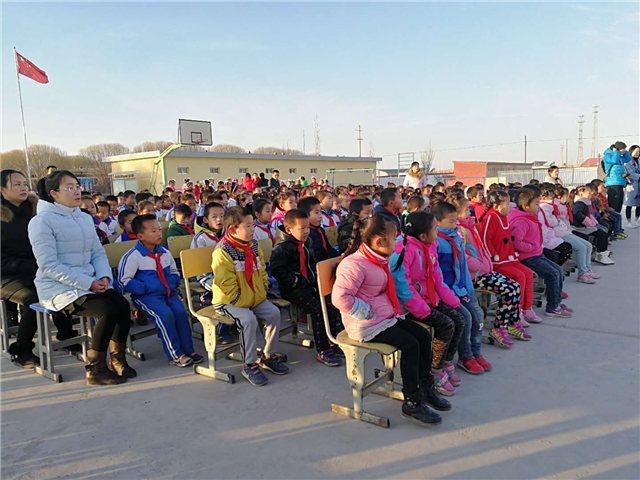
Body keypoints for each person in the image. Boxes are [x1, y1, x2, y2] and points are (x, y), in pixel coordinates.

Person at [332, 215, 445, 426]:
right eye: (394, 237)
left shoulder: (377, 259)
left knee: (422, 335)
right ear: (379, 241)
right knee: (410, 345)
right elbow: (340, 298)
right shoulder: (354, 265)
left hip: (383, 317)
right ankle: (411, 402)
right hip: (365, 324)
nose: (398, 240)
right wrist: (366, 312)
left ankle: (424, 387)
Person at [28, 170, 135, 385]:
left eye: (77, 186)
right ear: (54, 194)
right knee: (106, 310)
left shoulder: (84, 218)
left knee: (122, 305)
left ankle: (117, 359)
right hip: (58, 286)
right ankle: (96, 368)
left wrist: (104, 277)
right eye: (69, 188)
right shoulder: (41, 222)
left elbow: (97, 252)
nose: (76, 191)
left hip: (90, 281)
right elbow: (49, 266)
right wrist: (89, 283)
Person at [0, 170, 80, 368]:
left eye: (24, 184)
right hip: (8, 274)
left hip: (38, 267)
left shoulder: (38, 210)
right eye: (17, 184)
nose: (23, 188)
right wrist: (30, 265)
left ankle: (66, 336)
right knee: (35, 297)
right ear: (2, 189)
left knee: (60, 285)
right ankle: (23, 349)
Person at [390, 211, 466, 396]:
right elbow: (402, 287)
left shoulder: (429, 245)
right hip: (409, 306)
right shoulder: (402, 250)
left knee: (459, 319)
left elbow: (436, 277)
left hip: (427, 298)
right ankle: (435, 369)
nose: (437, 232)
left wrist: (450, 299)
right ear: (423, 235)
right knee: (446, 324)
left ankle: (446, 361)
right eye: (434, 229)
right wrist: (422, 309)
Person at [211, 207, 289, 386]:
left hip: (252, 296)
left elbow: (262, 269)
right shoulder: (222, 251)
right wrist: (247, 301)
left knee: (273, 313)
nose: (252, 229)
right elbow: (226, 285)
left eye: (252, 225)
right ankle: (249, 364)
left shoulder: (252, 244)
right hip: (228, 301)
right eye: (247, 226)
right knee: (248, 320)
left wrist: (262, 289)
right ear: (232, 230)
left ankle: (268, 356)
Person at [117, 215, 203, 367]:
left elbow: (174, 272)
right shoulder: (133, 256)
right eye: (153, 231)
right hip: (146, 297)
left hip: (168, 293)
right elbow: (124, 281)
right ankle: (176, 354)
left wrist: (170, 284)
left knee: (181, 314)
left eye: (159, 229)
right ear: (140, 236)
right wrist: (146, 288)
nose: (159, 234)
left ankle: (189, 350)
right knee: (165, 316)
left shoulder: (164, 252)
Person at [446, 192, 529, 348]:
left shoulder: (469, 226)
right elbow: (462, 255)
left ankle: (512, 322)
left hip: (483, 271)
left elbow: (480, 248)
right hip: (474, 276)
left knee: (515, 286)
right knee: (507, 290)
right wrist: (478, 264)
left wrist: (486, 263)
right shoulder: (458, 230)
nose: (470, 212)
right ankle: (499, 327)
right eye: (466, 209)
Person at [271, 209, 344, 367]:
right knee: (317, 310)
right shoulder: (282, 248)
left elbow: (311, 263)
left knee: (330, 303)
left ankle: (332, 340)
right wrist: (296, 281)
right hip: (293, 289)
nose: (306, 231)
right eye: (302, 228)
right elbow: (277, 270)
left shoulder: (307, 241)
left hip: (309, 285)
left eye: (307, 227)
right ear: (289, 230)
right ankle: (323, 350)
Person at [432, 202, 492, 375]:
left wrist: (468, 290)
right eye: (450, 222)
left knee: (477, 313)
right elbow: (436, 274)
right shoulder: (435, 241)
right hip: (445, 292)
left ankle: (476, 352)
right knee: (465, 317)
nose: (454, 224)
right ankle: (465, 356)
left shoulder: (456, 237)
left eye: (455, 221)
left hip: (459, 289)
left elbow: (462, 267)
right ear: (437, 222)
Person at [477, 191, 541, 325]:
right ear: (496, 206)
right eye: (506, 204)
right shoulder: (491, 218)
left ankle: (527, 308)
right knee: (519, 276)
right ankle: (516, 313)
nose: (510, 207)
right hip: (497, 262)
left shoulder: (503, 216)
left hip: (508, 258)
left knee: (528, 273)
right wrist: (493, 255)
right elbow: (485, 239)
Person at [509, 189, 572, 318]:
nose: (539, 207)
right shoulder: (521, 221)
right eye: (536, 204)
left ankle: (556, 301)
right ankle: (552, 307)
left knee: (558, 270)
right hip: (527, 257)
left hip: (536, 254)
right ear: (526, 206)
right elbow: (516, 242)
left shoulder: (530, 217)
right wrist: (532, 247)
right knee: (552, 274)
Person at [539, 185, 599, 284]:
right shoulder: (548, 206)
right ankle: (582, 273)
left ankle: (587, 270)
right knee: (581, 247)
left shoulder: (555, 205)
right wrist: (556, 220)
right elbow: (551, 221)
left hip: (564, 230)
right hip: (558, 233)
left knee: (588, 245)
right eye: (552, 196)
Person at [570, 185, 614, 265]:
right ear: (582, 193)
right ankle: (600, 254)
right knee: (601, 234)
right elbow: (576, 213)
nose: (590, 195)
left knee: (602, 231)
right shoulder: (579, 203)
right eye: (589, 193)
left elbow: (587, 214)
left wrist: (592, 221)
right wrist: (587, 221)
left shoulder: (584, 203)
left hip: (584, 226)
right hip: (579, 227)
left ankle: (602, 253)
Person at [297, 197, 338, 263]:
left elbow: (328, 248)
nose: (320, 216)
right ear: (306, 215)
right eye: (316, 212)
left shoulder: (320, 230)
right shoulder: (306, 234)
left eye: (320, 212)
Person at [602, 141, 632, 213]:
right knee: (613, 204)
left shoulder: (619, 157)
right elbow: (614, 161)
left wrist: (625, 152)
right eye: (623, 149)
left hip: (620, 182)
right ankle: (611, 218)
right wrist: (615, 152)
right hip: (612, 183)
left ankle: (617, 217)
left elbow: (628, 159)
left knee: (619, 204)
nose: (624, 151)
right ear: (618, 149)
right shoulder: (608, 156)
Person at [623, 145, 640, 228]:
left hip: (638, 185)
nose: (637, 153)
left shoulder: (638, 161)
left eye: (639, 152)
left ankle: (636, 219)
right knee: (629, 204)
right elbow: (630, 173)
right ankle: (628, 221)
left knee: (639, 204)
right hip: (632, 185)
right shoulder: (628, 162)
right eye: (636, 151)